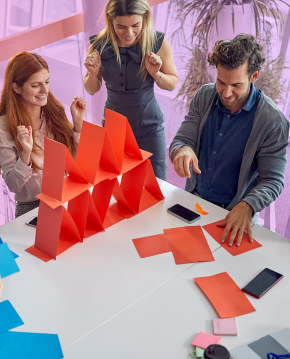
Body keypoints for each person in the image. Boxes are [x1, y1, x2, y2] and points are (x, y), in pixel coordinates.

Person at [169, 34, 289, 246]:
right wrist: (183, 149)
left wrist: (247, 206)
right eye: (221, 82)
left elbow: (273, 180)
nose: (226, 93)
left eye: (236, 85)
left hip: (233, 213)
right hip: (193, 201)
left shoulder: (272, 121)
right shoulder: (205, 96)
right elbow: (181, 140)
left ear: (254, 76)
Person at [83, 0, 179, 180]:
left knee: (156, 185)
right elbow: (91, 89)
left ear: (145, 18)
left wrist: (156, 74)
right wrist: (93, 74)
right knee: (118, 187)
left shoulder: (157, 41)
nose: (129, 33)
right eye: (121, 27)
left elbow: (172, 83)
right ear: (110, 21)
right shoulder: (99, 45)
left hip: (149, 128)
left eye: (135, 25)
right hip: (114, 129)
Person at [0, 52, 87, 218]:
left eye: (47, 82)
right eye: (36, 85)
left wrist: (78, 125)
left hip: (65, 197)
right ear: (16, 88)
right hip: (31, 209)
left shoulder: (55, 112)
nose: (45, 90)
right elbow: (14, 185)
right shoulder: (2, 126)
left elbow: (75, 163)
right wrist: (26, 153)